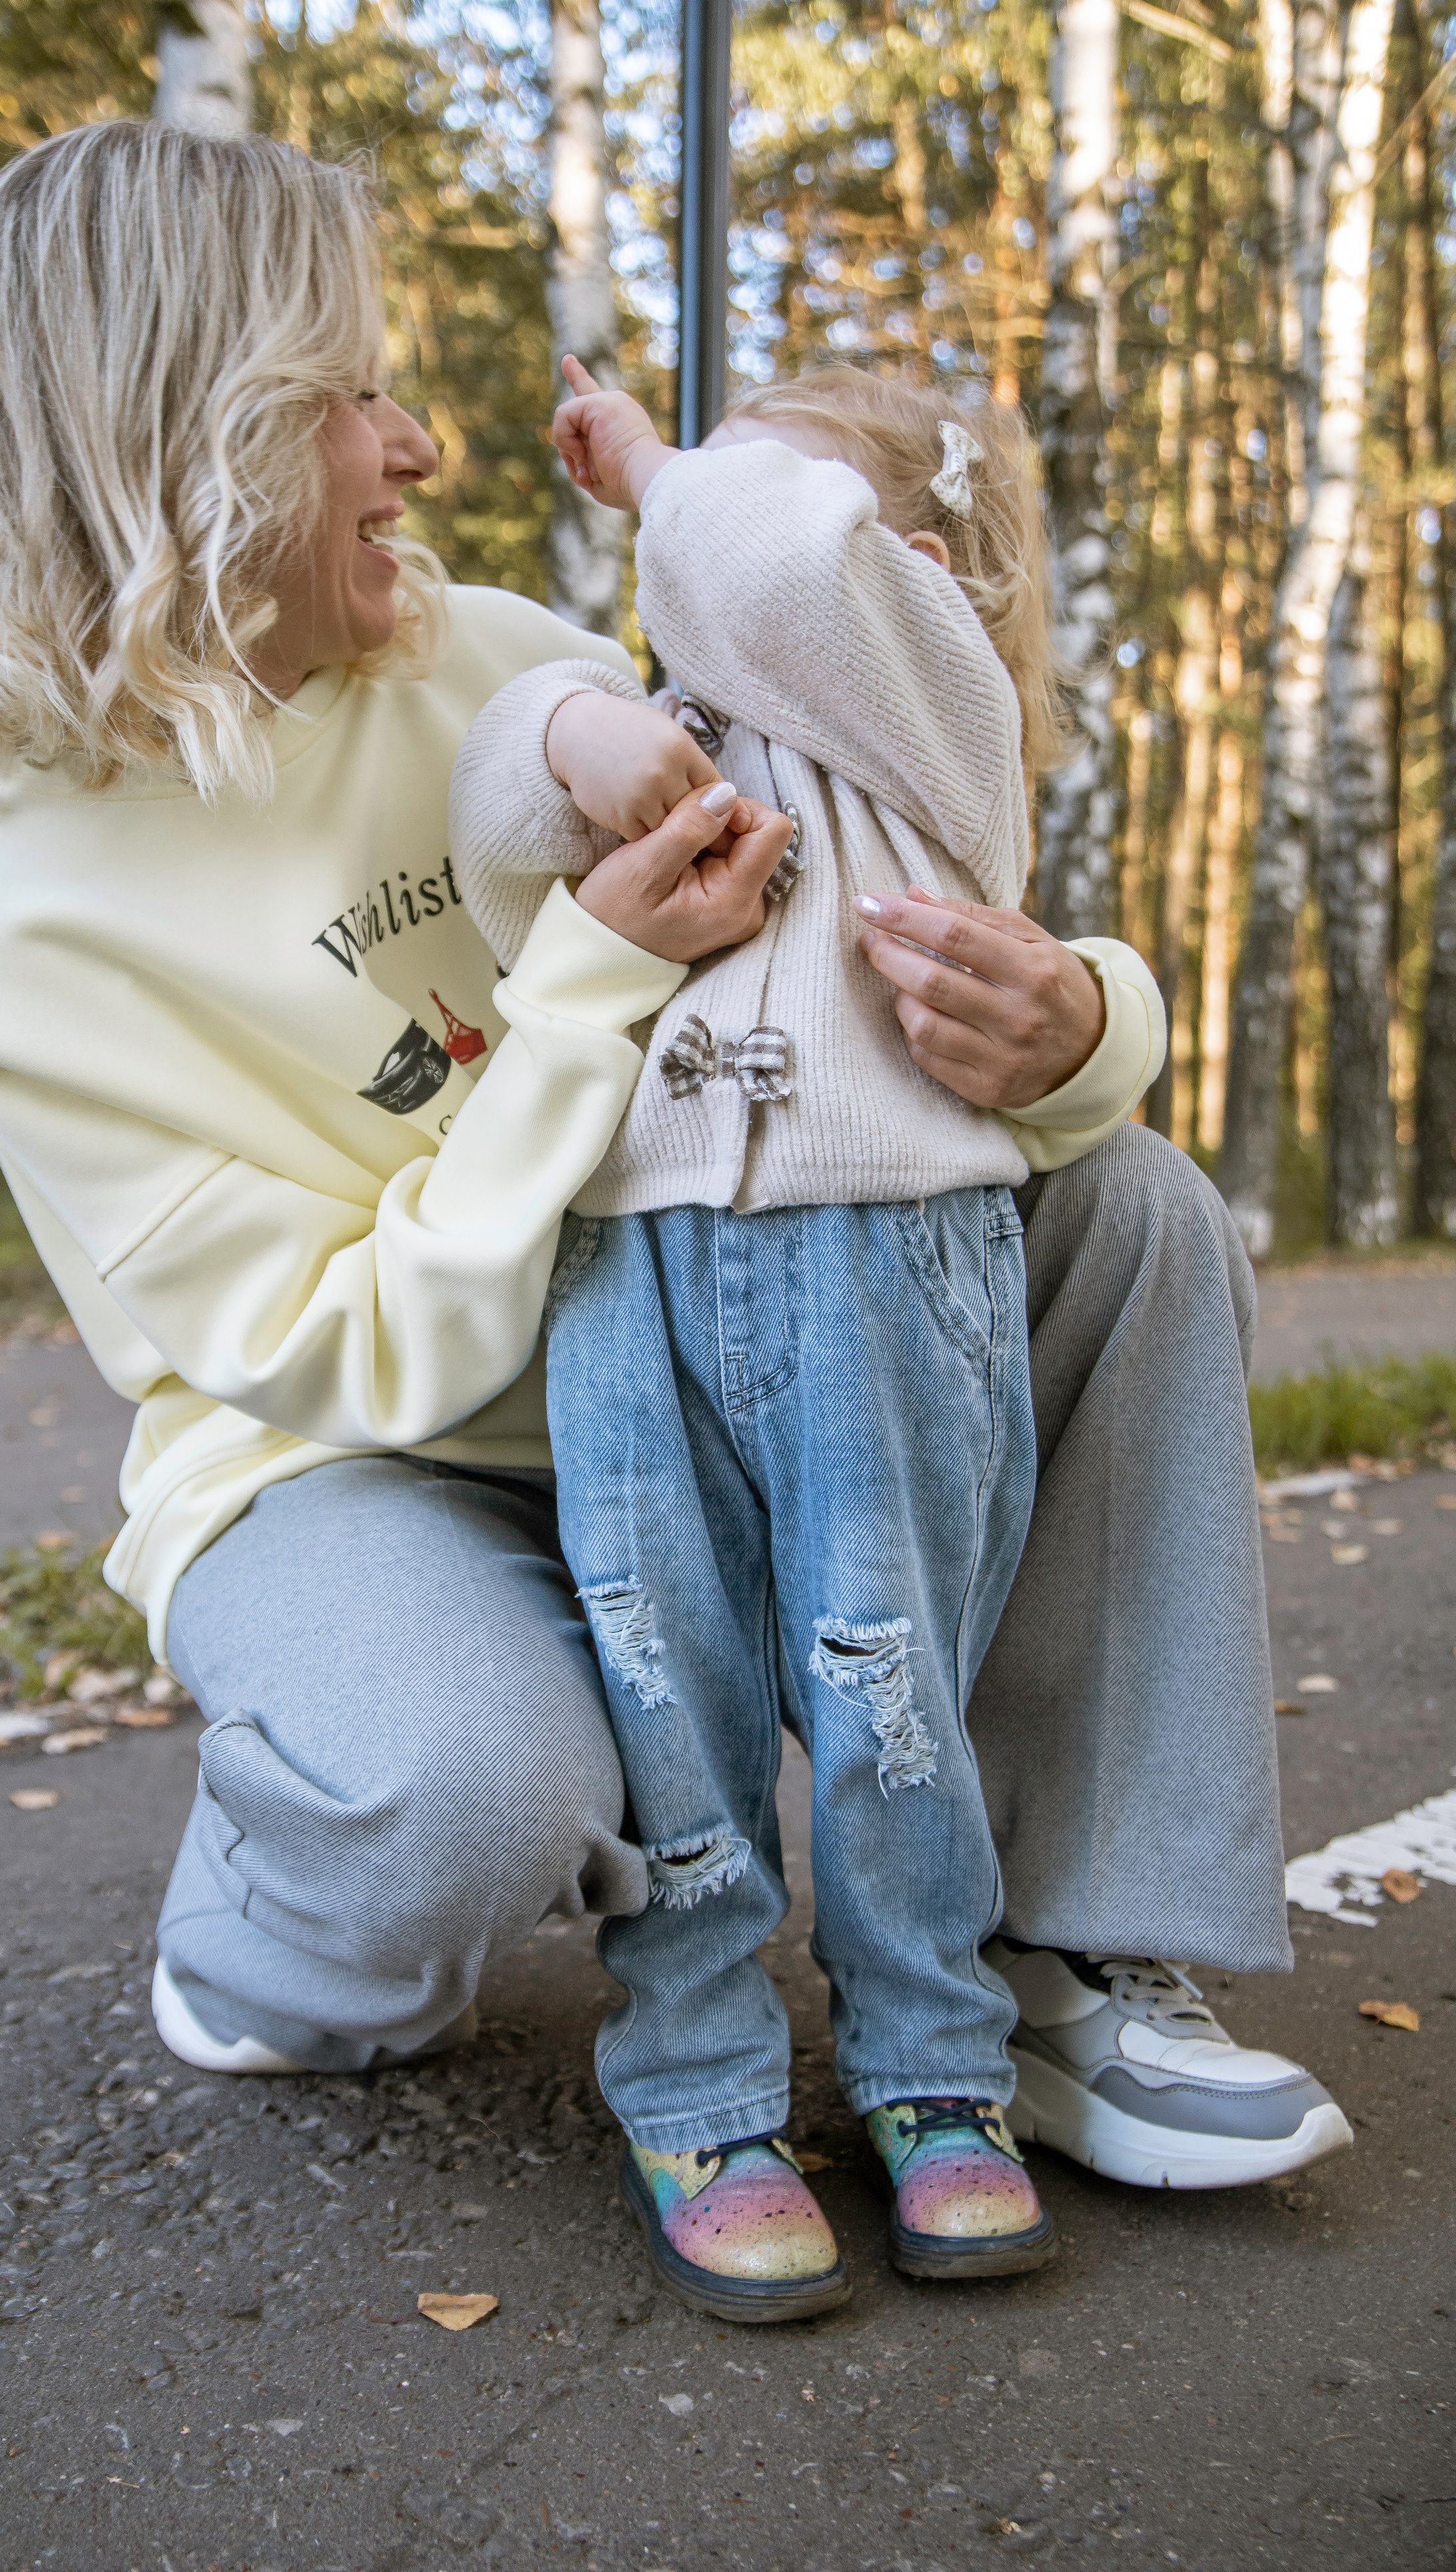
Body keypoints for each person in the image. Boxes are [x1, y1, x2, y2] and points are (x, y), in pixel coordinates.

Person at [0, 123, 1346, 2279]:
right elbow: (345, 1349)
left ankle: (1068, 1957)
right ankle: (284, 1915)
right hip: (376, 1460)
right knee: (457, 1797)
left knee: (1124, 1207)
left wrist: (1082, 1028)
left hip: (715, 1337)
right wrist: (586, 976)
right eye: (347, 401)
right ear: (175, 448)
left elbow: (873, 893)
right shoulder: (8, 927)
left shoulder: (484, 650)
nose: (420, 446)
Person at [449, 362, 1168, 2316]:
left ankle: (934, 2073)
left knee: (887, 1682)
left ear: (912, 568)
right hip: (631, 1273)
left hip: (881, 1266)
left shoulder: (936, 723)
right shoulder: (688, 723)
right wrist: (591, 723)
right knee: (659, 1687)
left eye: (754, 493)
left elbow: (774, 563)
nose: (693, 524)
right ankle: (699, 2089)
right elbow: (493, 792)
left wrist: (666, 470)